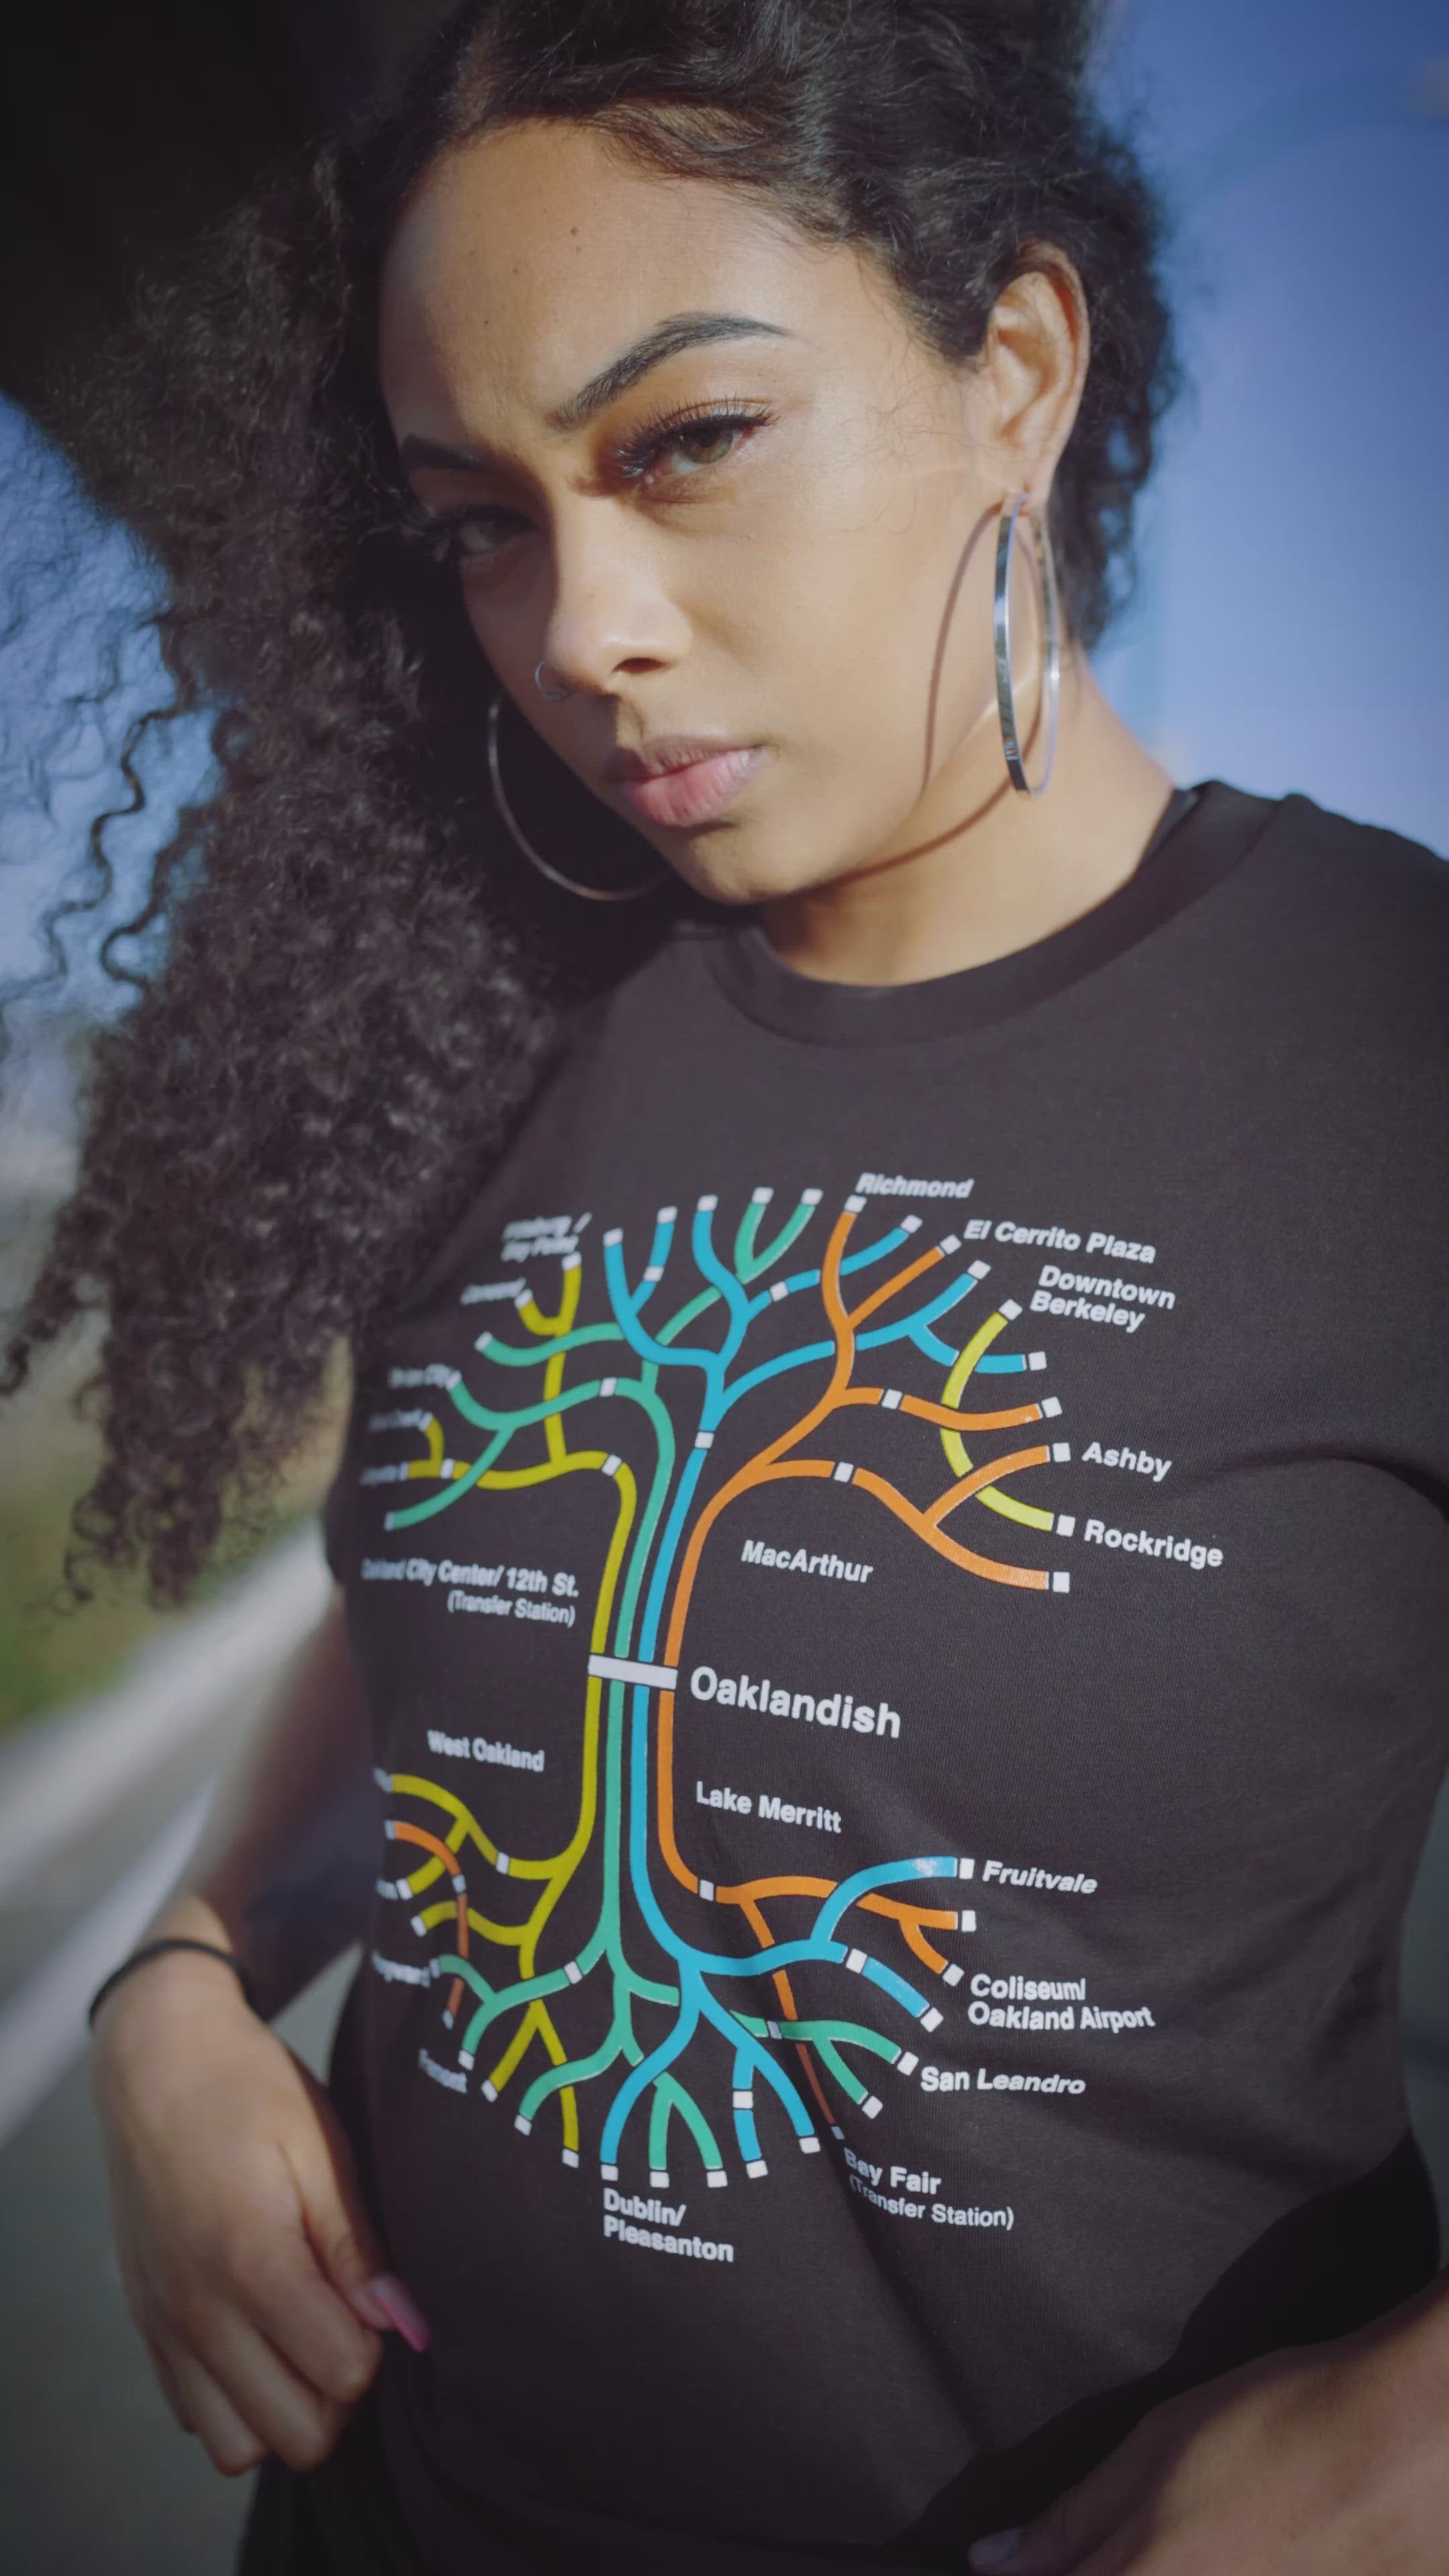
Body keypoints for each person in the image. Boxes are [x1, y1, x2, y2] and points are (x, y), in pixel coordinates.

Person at [6, 2, 1447, 2568]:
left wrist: (1395, 2454)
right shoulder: (487, 1035)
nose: (587, 627)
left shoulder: (1390, 1040)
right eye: (480, 515)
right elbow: (452, 1623)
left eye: (685, 442)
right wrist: (186, 1982)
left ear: (1011, 365)